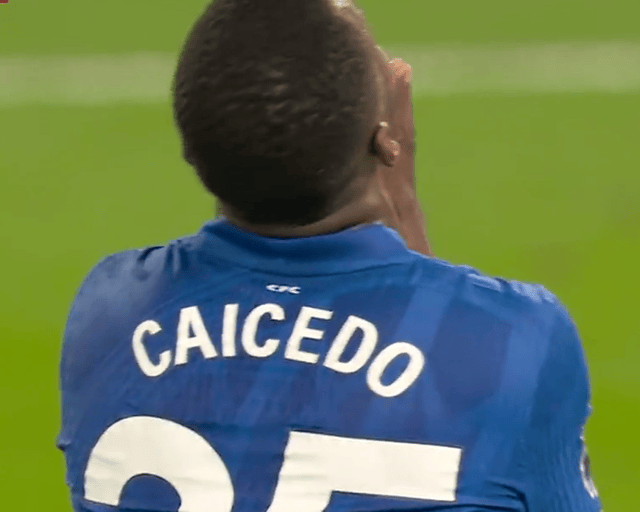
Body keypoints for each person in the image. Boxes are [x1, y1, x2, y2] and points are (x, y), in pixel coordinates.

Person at [57, 0, 602, 511]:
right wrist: (405, 215)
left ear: (190, 147)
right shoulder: (517, 337)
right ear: (385, 138)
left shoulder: (109, 313)